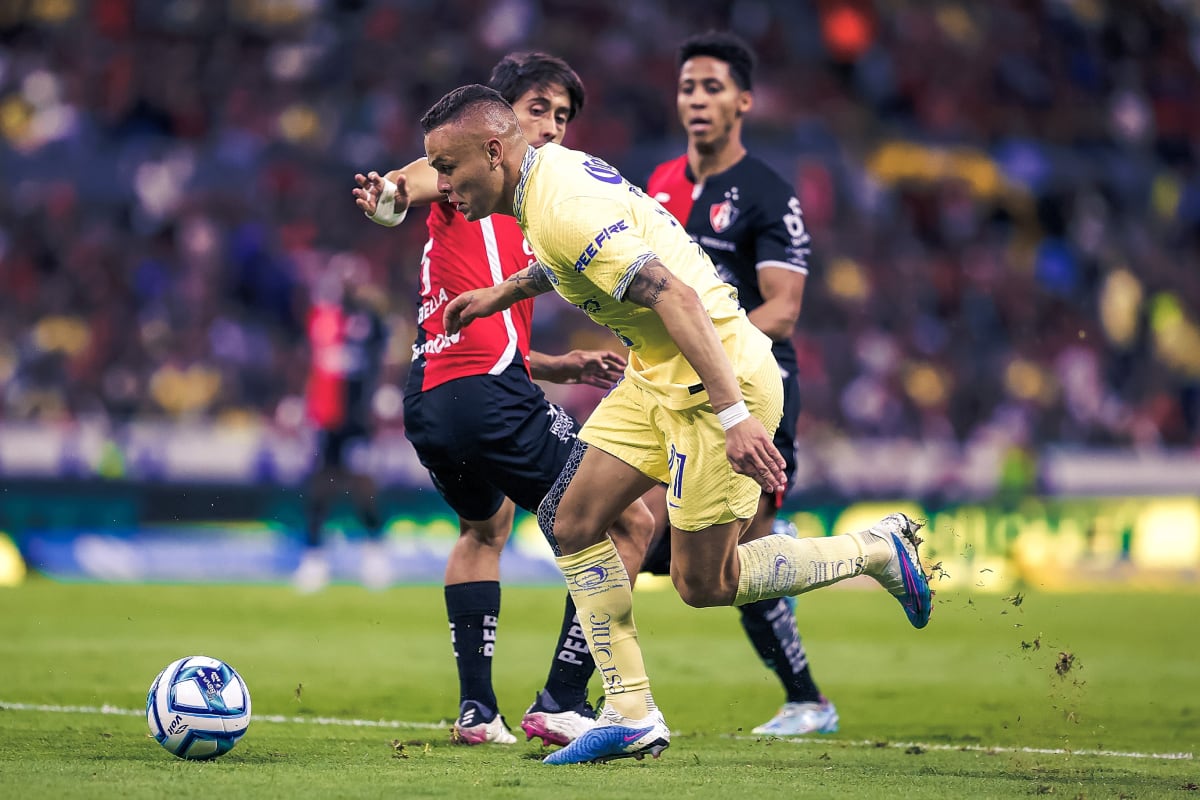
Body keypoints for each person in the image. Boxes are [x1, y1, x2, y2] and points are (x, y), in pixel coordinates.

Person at [429, 84, 932, 765]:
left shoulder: (561, 205)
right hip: (657, 374)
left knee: (706, 585)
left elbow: (675, 295)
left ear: (493, 151)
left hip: (716, 381)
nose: (443, 185)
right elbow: (568, 260)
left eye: (447, 167)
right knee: (571, 520)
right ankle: (630, 709)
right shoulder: (546, 177)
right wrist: (503, 292)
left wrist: (735, 417)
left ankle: (877, 550)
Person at [352, 53, 655, 747]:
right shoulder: (468, 172)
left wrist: (556, 364)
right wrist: (388, 199)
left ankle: (477, 713)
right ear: (496, 122)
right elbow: (410, 182)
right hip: (483, 391)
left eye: (562, 116)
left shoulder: (530, 205)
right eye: (538, 109)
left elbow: (479, 322)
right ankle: (564, 697)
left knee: (484, 531)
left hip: (434, 394)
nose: (550, 125)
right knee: (631, 521)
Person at [641, 31, 835, 737]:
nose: (697, 99)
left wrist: (712, 356)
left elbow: (783, 309)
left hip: (755, 392)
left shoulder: (767, 195)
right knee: (642, 534)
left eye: (713, 87)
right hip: (672, 392)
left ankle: (808, 698)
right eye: (689, 87)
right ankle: (596, 701)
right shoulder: (658, 184)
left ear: (744, 102)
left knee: (738, 555)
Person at [293, 257, 391, 594]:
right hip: (326, 415)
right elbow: (310, 362)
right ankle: (314, 555)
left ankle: (374, 551)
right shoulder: (322, 318)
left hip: (358, 418)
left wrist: (380, 401)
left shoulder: (372, 320)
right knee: (320, 484)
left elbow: (382, 362)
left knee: (363, 484)